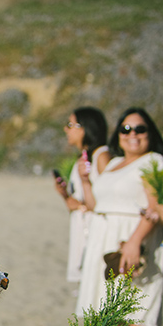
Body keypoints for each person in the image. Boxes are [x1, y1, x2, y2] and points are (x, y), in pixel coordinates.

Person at [75, 107, 163, 326]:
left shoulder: (155, 162)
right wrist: (86, 182)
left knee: (142, 322)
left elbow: (154, 208)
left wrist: (134, 241)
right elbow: (95, 204)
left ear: (150, 134)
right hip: (106, 241)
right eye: (126, 130)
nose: (132, 136)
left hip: (134, 243)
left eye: (140, 130)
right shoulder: (114, 163)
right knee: (125, 323)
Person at [53, 107, 111, 283]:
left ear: (86, 128)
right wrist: (65, 196)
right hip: (83, 228)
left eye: (71, 124)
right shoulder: (83, 158)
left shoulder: (102, 156)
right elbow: (79, 202)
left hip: (95, 230)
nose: (66, 129)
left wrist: (80, 204)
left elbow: (107, 199)